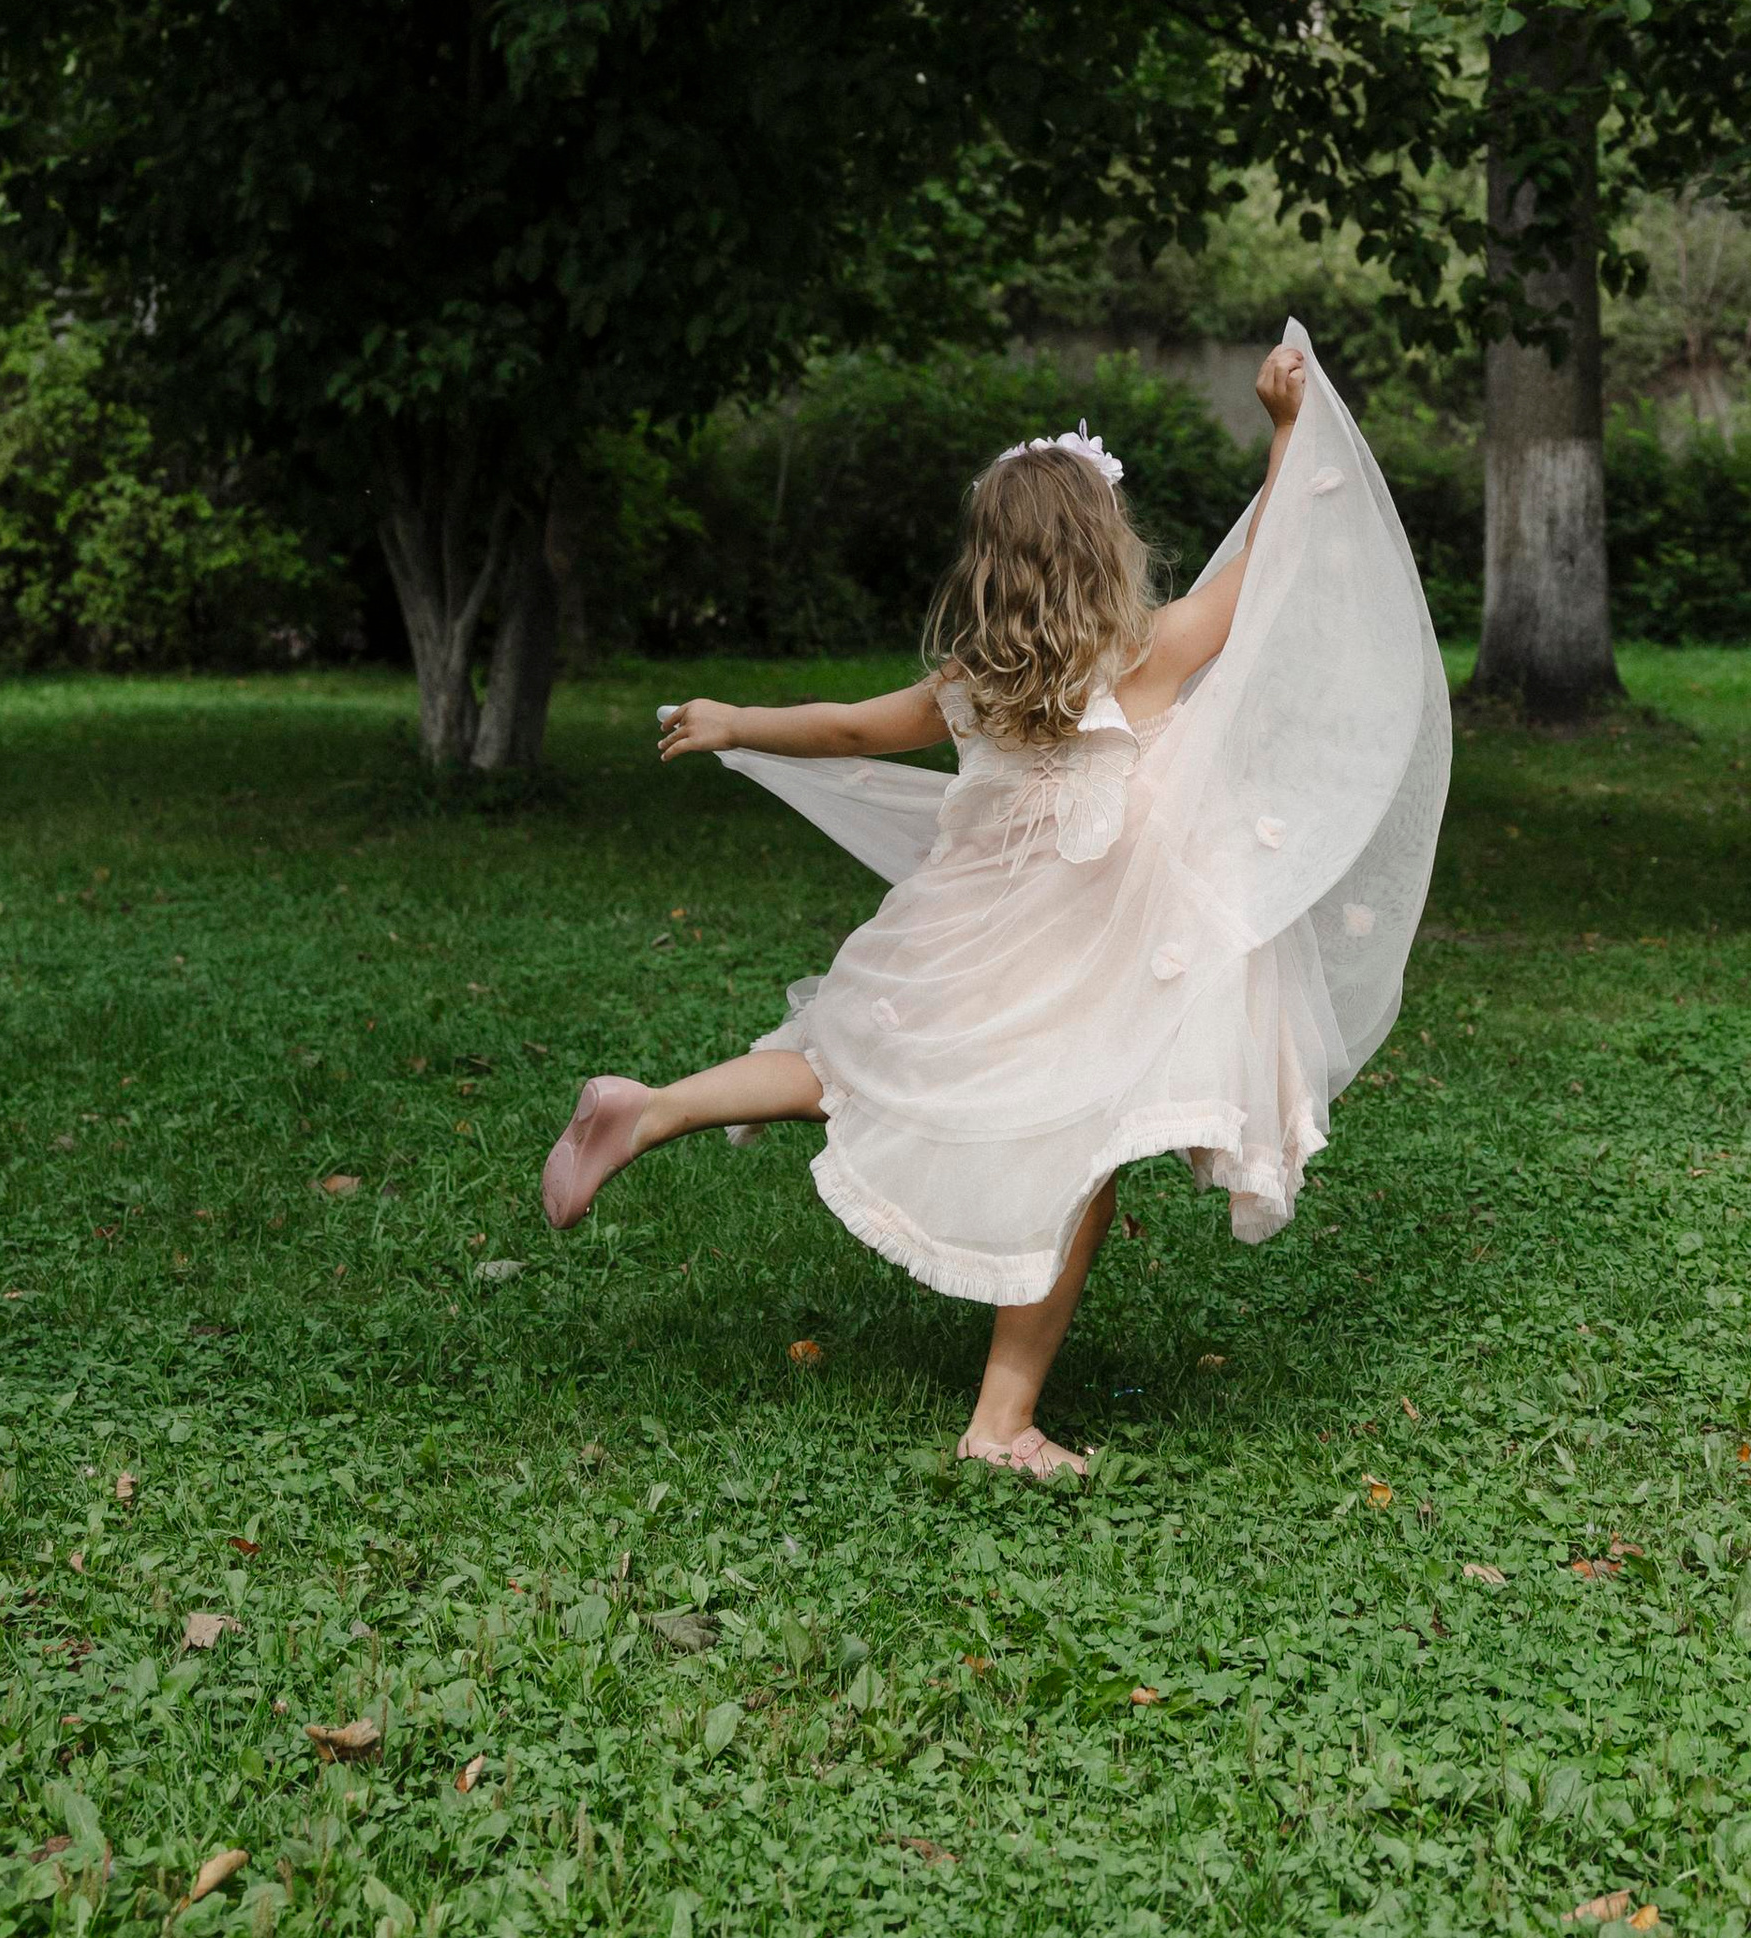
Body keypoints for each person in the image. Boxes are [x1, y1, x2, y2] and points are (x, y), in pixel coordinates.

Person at [539, 326, 1449, 1479]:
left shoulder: (973, 684)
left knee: (849, 1063)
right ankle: (1000, 1423)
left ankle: (652, 1108)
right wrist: (1282, 435)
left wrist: (736, 721)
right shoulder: (1152, 655)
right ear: (1107, 549)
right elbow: (1264, 568)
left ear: (992, 568)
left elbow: (851, 729)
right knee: (1079, 1168)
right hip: (1082, 971)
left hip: (967, 938)